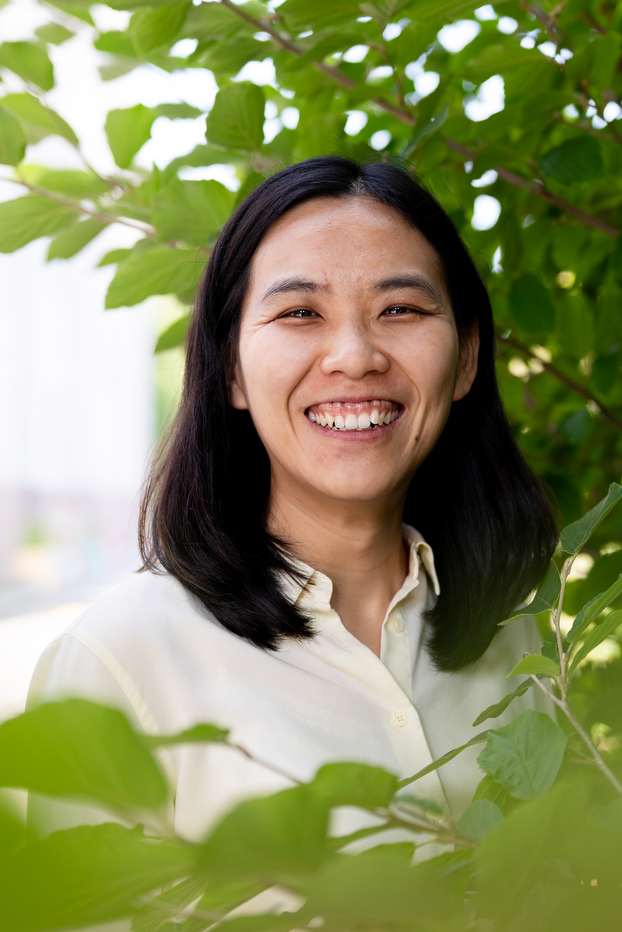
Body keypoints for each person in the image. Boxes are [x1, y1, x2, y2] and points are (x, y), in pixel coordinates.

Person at [29, 156, 557, 844]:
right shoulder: (119, 661)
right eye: (300, 312)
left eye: (400, 308)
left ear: (464, 358)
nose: (354, 355)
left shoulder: (514, 635)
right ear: (231, 371)